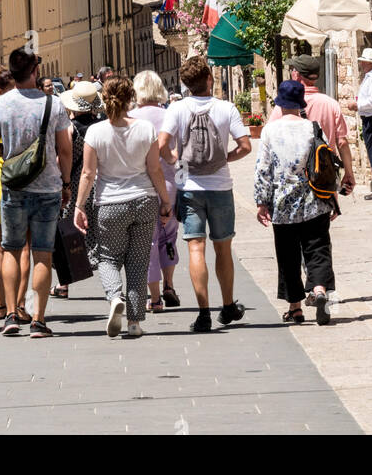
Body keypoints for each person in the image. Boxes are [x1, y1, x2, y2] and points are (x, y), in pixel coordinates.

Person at [158, 55, 251, 333]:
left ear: (186, 84)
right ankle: (227, 306)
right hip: (221, 187)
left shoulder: (176, 109)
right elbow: (245, 146)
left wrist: (177, 160)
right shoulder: (226, 108)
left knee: (195, 248)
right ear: (209, 79)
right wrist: (224, 159)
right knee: (223, 248)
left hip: (190, 189)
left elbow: (161, 144)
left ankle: (203, 313)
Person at [0, 48, 73, 338]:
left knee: (11, 248)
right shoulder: (54, 105)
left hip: (14, 186)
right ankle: (38, 319)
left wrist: (13, 156)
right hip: (48, 187)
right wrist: (66, 182)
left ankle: (10, 314)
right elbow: (65, 149)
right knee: (43, 255)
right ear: (34, 72)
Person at [74, 76, 172, 338]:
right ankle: (134, 323)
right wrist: (165, 201)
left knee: (107, 257)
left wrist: (79, 205)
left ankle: (115, 296)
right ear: (131, 98)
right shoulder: (146, 129)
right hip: (144, 200)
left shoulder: (95, 132)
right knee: (138, 261)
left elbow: (87, 173)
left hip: (109, 203)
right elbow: (155, 169)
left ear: (103, 100)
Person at [255, 79, 337, 326]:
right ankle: (320, 290)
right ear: (301, 104)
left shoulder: (270, 130)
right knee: (318, 248)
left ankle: (296, 308)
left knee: (288, 255)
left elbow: (263, 170)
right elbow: (325, 165)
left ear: (280, 103)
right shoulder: (313, 127)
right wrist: (332, 198)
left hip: (283, 203)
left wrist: (261, 201)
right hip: (315, 200)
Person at [0, 66, 32, 322]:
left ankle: (0, 305)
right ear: (0, 91)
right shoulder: (17, 111)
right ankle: (19, 304)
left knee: (1, 248)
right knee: (23, 248)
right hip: (18, 182)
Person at [266, 54, 356, 196]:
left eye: (292, 70)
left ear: (297, 75)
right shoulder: (331, 104)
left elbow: (270, 141)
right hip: (323, 179)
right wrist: (349, 173)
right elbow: (342, 142)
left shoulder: (285, 107)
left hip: (293, 180)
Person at [131, 70, 180, 310]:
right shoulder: (170, 115)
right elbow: (178, 154)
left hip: (141, 186)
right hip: (169, 184)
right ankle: (169, 284)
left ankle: (155, 298)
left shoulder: (130, 118)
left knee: (146, 242)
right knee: (168, 236)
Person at [53, 81, 105, 298]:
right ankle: (108, 278)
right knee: (99, 232)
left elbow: (62, 157)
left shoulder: (69, 128)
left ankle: (64, 284)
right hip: (100, 182)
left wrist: (63, 183)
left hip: (74, 183)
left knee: (69, 232)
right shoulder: (102, 126)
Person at [344, 47, 372, 198]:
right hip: (370, 118)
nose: (361, 64)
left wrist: (357, 105)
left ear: (369, 63)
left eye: (363, 62)